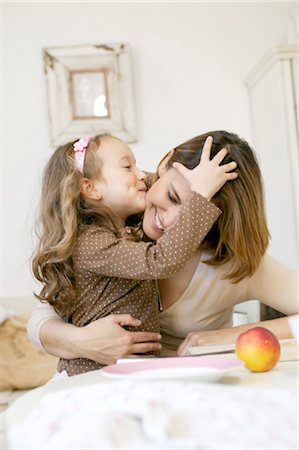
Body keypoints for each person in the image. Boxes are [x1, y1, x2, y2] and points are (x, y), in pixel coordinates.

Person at [28, 131, 298, 365]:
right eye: (171, 196)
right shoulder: (116, 228)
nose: (168, 221)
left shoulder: (233, 264)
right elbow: (42, 317)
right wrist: (82, 341)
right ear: (163, 164)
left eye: (197, 214)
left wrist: (231, 337)